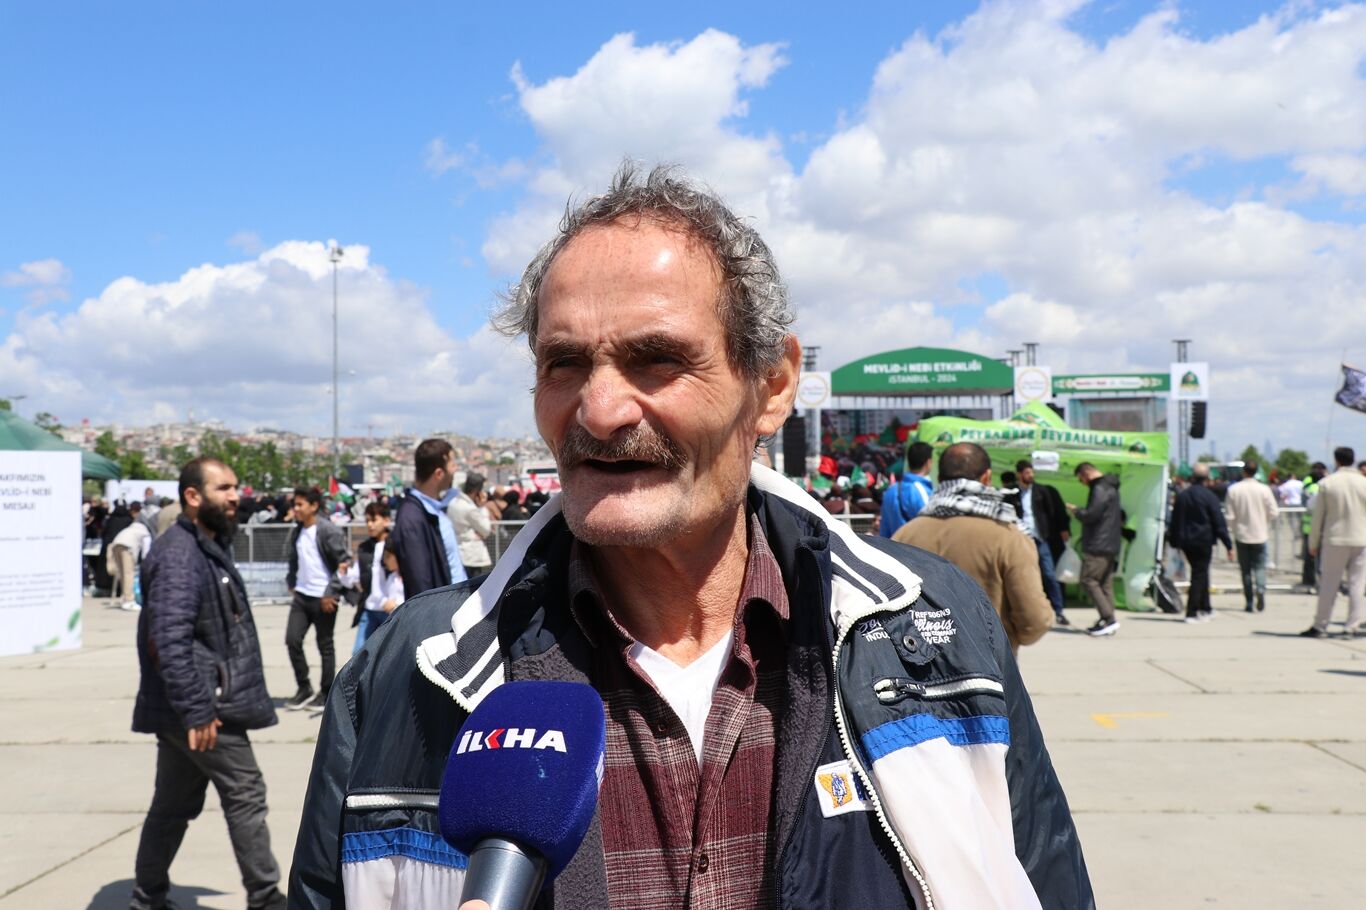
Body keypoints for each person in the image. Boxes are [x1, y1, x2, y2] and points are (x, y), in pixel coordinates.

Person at [290, 163, 1090, 909]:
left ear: (770, 387)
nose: (600, 411)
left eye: (657, 359)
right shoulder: (405, 676)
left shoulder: (938, 629)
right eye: (564, 363)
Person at [130, 457, 285, 910]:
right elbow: (168, 639)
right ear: (192, 496)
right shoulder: (180, 555)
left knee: (172, 806)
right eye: (223, 489)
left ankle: (147, 897)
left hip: (191, 706)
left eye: (236, 487)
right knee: (246, 793)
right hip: (205, 709)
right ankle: (266, 898)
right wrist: (197, 709)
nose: (235, 497)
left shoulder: (205, 545)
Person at [894, 443, 1054, 651]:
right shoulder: (1009, 537)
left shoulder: (904, 535)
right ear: (987, 477)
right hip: (991, 662)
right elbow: (1034, 620)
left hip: (918, 664)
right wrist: (1005, 641)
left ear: (940, 479)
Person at [284, 487, 350, 711]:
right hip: (302, 596)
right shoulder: (297, 531)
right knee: (292, 640)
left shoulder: (327, 530)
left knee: (325, 645)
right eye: (294, 504)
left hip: (324, 598)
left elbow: (344, 562)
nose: (296, 509)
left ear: (313, 506)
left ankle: (326, 691)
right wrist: (291, 581)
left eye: (300, 504)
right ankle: (304, 688)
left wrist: (331, 592)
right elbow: (294, 559)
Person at [386, 438, 467, 596]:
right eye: (452, 464)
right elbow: (419, 578)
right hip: (442, 605)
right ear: (439, 474)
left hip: (454, 601)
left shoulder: (432, 509)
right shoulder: (412, 517)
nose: (455, 469)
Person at [1303, 446, 1366, 638]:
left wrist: (1313, 543)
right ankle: (1352, 626)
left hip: (1335, 539)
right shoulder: (1363, 482)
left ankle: (1321, 625)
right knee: (1357, 585)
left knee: (1329, 585)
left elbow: (1318, 517)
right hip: (1361, 539)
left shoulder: (1328, 483)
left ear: (1336, 460)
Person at [1167, 464, 1233, 623]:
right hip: (1203, 541)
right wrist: (1228, 544)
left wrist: (1174, 542)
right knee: (1199, 574)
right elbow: (1218, 521)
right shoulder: (1209, 497)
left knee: (1201, 573)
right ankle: (1192, 612)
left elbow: (1175, 520)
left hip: (1187, 542)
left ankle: (1206, 607)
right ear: (1207, 478)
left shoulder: (1183, 496)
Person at [1068, 462, 1123, 636]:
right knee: (1105, 584)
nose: (1082, 483)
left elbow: (1092, 515)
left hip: (1098, 544)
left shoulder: (1099, 488)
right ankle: (1107, 620)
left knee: (1088, 580)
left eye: (1081, 479)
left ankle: (1109, 619)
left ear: (1086, 473)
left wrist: (1077, 511)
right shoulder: (1110, 486)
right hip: (1110, 543)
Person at [1014, 458, 1071, 626]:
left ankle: (1059, 610)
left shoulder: (1042, 491)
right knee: (1021, 575)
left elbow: (1054, 511)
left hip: (1040, 538)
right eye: (1027, 473)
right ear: (1019, 474)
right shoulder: (1012, 492)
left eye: (1032, 472)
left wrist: (1061, 529)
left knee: (1049, 574)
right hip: (1021, 539)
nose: (1030, 475)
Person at [340, 500, 397, 655]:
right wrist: (344, 573)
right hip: (369, 608)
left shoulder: (395, 544)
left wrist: (397, 600)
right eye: (367, 521)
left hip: (391, 610)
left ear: (386, 520)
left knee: (389, 654)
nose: (370, 525)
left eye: (374, 520)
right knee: (359, 653)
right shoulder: (364, 548)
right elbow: (354, 577)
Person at [1223, 461, 1279, 613]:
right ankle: (1260, 588)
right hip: (1260, 534)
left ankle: (1249, 601)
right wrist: (1263, 521)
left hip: (1242, 535)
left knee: (1245, 570)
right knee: (1260, 567)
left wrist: (1232, 529)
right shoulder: (1264, 489)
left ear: (1243, 472)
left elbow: (1229, 516)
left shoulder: (1234, 490)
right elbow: (1274, 512)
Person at [879, 440, 934, 538]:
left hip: (891, 546)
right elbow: (930, 529)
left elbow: (884, 529)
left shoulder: (890, 491)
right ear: (928, 462)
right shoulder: (922, 492)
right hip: (915, 546)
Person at [447, 471, 495, 578]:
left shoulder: (453, 502)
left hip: (457, 551)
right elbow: (486, 530)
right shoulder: (470, 509)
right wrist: (482, 508)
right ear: (476, 491)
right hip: (472, 555)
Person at [109, 502, 153, 611]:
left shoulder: (134, 526)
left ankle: (124, 597)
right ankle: (129, 601)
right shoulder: (145, 531)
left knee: (122, 573)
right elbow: (146, 551)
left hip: (116, 544)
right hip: (127, 547)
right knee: (129, 574)